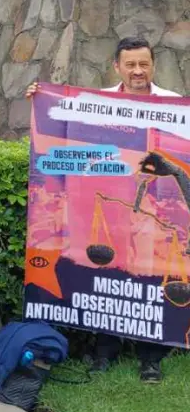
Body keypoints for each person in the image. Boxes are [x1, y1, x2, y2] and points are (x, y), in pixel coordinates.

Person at [25, 36, 177, 382]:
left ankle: (150, 357)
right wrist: (41, 100)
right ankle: (103, 352)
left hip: (155, 209)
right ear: (116, 66)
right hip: (113, 205)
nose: (138, 71)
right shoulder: (99, 103)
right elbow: (62, 126)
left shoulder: (174, 105)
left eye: (144, 64)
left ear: (153, 65)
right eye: (131, 65)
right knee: (108, 275)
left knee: (150, 276)